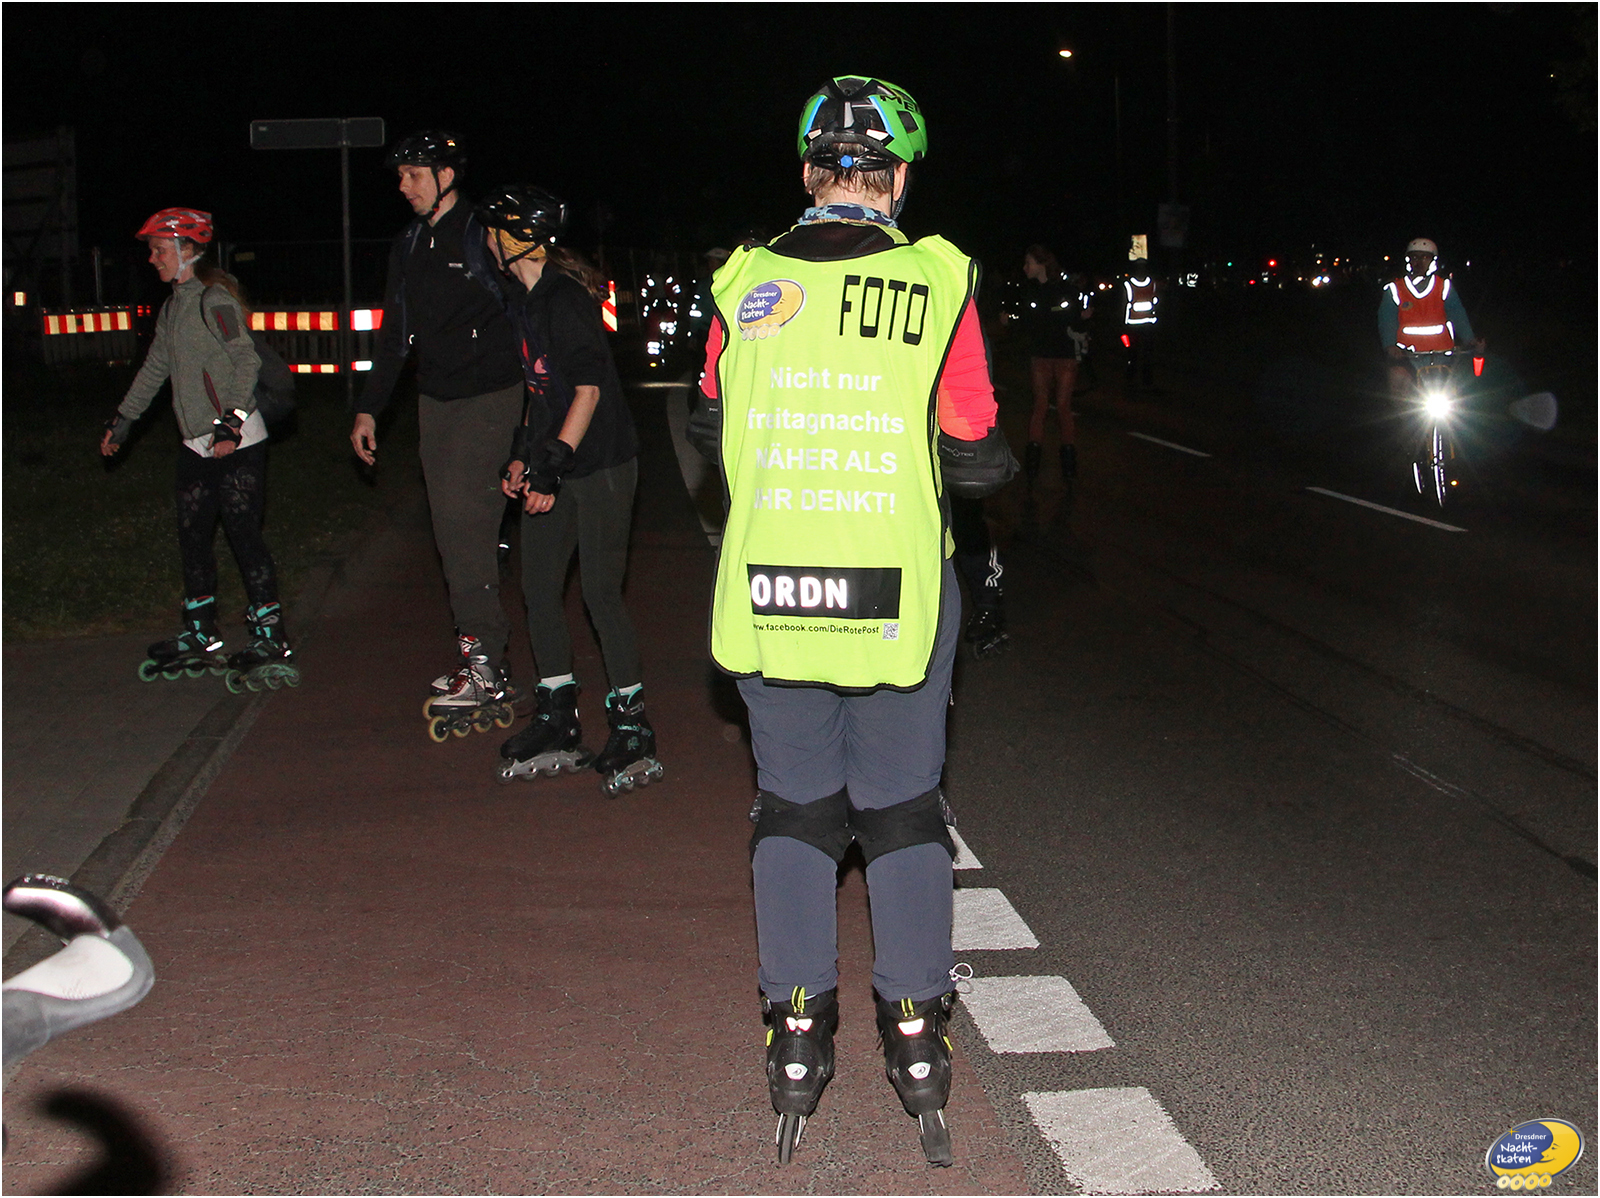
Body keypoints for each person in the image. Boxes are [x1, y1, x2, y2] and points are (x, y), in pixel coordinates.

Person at [687, 75, 1015, 1167]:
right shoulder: (938, 279)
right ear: (900, 175)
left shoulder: (744, 280)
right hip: (895, 591)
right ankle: (916, 1034)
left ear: (807, 171)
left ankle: (795, 1031)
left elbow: (708, 421)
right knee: (902, 808)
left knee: (793, 805)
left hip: (774, 585)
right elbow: (974, 446)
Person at [477, 187, 660, 797]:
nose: (486, 243)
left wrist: (550, 469)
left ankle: (632, 727)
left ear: (512, 239)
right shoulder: (524, 300)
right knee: (537, 587)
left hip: (601, 462)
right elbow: (542, 392)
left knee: (601, 593)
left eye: (491, 232)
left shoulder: (564, 300)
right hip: (558, 458)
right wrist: (522, 456)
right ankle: (559, 717)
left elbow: (587, 391)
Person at [348, 131, 527, 738]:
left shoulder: (482, 232)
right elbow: (395, 332)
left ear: (447, 176)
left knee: (463, 523)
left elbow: (527, 309)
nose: (404, 186)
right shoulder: (409, 242)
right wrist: (370, 408)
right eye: (400, 176)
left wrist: (543, 404)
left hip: (490, 395)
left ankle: (485, 662)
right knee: (451, 527)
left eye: (415, 174)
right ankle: (481, 653)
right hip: (435, 399)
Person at [101, 208, 295, 688]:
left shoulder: (215, 301)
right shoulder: (173, 308)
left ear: (186, 250)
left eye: (158, 250)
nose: (152, 259)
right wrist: (123, 420)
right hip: (195, 444)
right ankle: (200, 631)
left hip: (237, 440)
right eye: (151, 251)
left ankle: (270, 633)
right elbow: (154, 370)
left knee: (243, 535)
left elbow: (245, 360)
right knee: (192, 537)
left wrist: (231, 421)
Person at [1006, 244, 1086, 485]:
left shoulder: (1051, 290)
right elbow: (1038, 319)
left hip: (1057, 356)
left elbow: (1044, 319)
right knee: (1053, 406)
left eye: (1028, 263)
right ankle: (1063, 467)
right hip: (1049, 355)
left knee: (1052, 406)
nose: (1025, 267)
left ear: (1041, 264)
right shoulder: (1036, 290)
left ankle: (1038, 466)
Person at [1379, 236, 1480, 399]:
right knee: (1398, 384)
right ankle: (1401, 413)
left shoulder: (1444, 287)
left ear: (1433, 261)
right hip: (1407, 357)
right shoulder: (1395, 289)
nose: (1419, 262)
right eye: (1414, 257)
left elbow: (1457, 314)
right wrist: (1390, 345)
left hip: (1443, 356)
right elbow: (1387, 319)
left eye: (1425, 257)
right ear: (1408, 261)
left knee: (1459, 391)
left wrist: (1470, 339)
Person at [1121, 257, 1159, 389]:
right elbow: (1124, 305)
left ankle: (1142, 380)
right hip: (1135, 325)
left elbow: (1155, 301)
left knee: (1144, 354)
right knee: (1133, 353)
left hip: (1144, 324)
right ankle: (1134, 379)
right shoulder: (1130, 285)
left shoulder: (1150, 283)